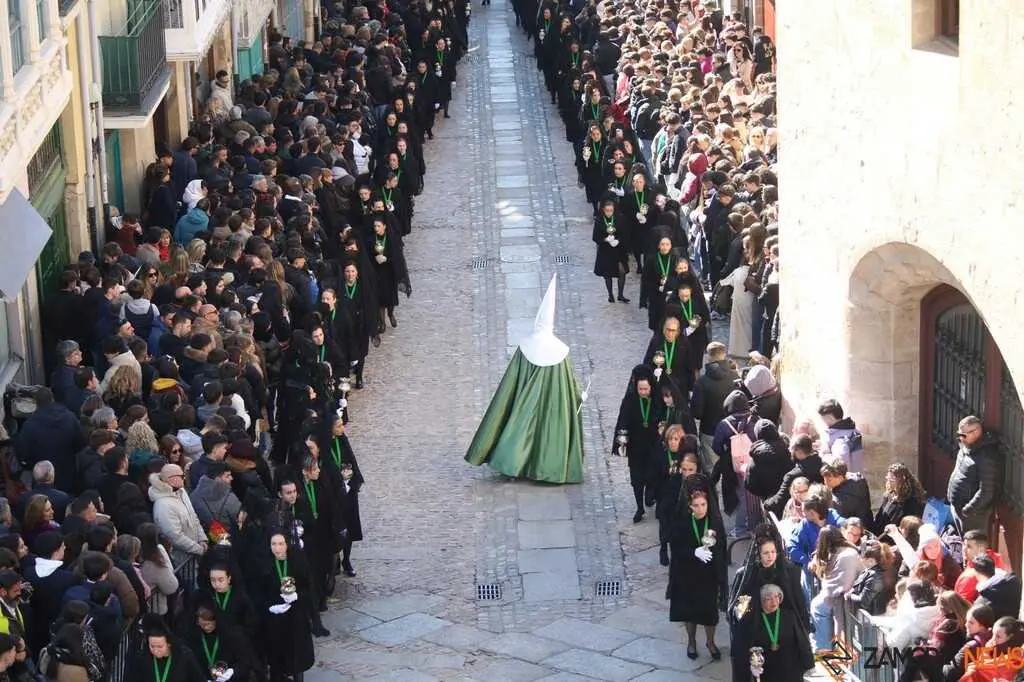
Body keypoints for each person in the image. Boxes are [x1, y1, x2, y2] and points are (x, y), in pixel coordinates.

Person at [465, 276, 585, 483]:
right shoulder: (561, 351)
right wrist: (578, 394)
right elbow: (569, 381)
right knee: (550, 434)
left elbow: (512, 380)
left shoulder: (526, 347)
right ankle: (550, 469)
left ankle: (515, 463)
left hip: (526, 401)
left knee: (521, 431)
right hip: (554, 404)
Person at [668, 487, 727, 660]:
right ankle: (691, 641)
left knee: (710, 613)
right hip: (688, 574)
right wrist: (694, 552)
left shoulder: (714, 521)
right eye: (696, 505)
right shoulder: (682, 522)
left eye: (703, 504)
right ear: (690, 506)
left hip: (708, 574)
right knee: (690, 612)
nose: (700, 508)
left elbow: (722, 545)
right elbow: (677, 548)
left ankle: (710, 642)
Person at [254, 532, 318, 682]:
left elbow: (309, 587)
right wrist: (270, 607)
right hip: (274, 619)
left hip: (296, 616)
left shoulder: (298, 561)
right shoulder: (263, 564)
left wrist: (297, 596)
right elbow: (258, 593)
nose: (277, 548)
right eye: (274, 544)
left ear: (287, 544)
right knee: (276, 656)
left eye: (281, 544)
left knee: (297, 656)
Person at [612, 366, 661, 522]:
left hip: (653, 445)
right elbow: (623, 420)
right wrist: (622, 443)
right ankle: (639, 507)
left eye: (646, 389)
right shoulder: (630, 400)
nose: (643, 392)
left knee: (653, 475)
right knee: (637, 479)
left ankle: (650, 496)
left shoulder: (657, 399)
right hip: (636, 446)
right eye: (640, 389)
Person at [741, 584, 813, 680]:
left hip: (790, 668)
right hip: (767, 670)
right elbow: (749, 645)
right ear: (761, 601)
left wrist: (808, 662)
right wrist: (753, 665)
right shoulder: (755, 621)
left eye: (776, 596)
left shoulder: (789, 616)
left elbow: (802, 641)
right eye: (768, 598)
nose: (774, 601)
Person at [947, 415, 1001, 534]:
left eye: (964, 435)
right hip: (958, 506)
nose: (961, 439)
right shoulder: (966, 446)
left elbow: (986, 491)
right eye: (959, 434)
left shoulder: (986, 456)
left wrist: (967, 510)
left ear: (976, 432)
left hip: (973, 515)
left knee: (971, 546)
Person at [148, 464, 207, 564]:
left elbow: (194, 516)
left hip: (196, 554)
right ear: (171, 479)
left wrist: (202, 539)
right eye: (182, 476)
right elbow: (175, 537)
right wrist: (199, 549)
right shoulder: (163, 505)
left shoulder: (181, 491)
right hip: (182, 560)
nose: (184, 478)